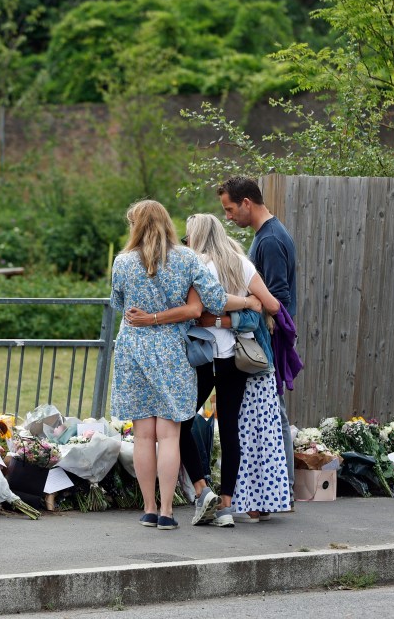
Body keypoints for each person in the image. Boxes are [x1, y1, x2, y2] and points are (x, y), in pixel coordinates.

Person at [109, 200, 252, 530]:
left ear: (137, 226)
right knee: (169, 436)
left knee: (143, 436)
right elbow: (215, 300)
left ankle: (148, 508)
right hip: (173, 350)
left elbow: (118, 302)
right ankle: (168, 512)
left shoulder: (123, 262)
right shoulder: (188, 259)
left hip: (133, 350)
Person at [217, 176, 298, 499]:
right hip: (264, 336)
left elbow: (277, 296)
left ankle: (284, 489)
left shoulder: (269, 241)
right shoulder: (268, 235)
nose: (229, 216)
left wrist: (250, 316)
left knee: (273, 413)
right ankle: (275, 490)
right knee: (270, 412)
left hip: (269, 338)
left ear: (247, 203)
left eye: (230, 209)